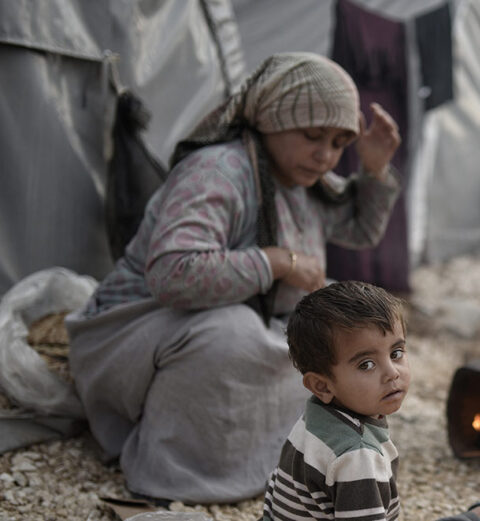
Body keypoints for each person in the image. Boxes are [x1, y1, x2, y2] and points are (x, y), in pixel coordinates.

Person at [66, 52, 403, 503]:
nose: (325, 155)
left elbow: (360, 229)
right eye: (312, 136)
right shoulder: (216, 171)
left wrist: (374, 169)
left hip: (226, 328)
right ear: (271, 119)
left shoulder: (301, 180)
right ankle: (177, 475)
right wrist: (279, 262)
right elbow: (172, 274)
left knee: (331, 346)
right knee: (234, 337)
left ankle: (273, 468)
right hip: (132, 332)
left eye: (339, 142)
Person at [262, 281, 480, 521]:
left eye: (396, 353)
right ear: (322, 385)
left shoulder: (315, 415)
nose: (392, 373)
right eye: (366, 364)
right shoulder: (357, 455)